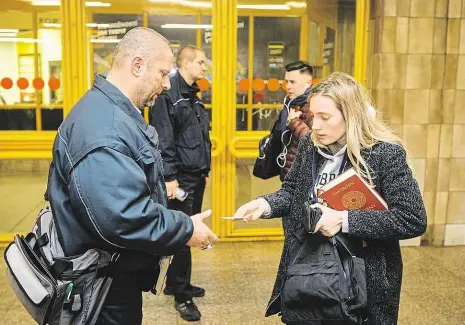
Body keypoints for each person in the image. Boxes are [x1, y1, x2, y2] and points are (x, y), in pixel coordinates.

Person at [47, 28, 218, 325]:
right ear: (137, 65)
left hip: (108, 275)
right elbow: (121, 217)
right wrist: (185, 228)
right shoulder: (105, 128)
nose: (166, 84)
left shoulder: (109, 111)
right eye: (162, 74)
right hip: (100, 287)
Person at [233, 72, 427, 325]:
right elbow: (292, 191)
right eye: (313, 117)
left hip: (363, 279)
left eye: (325, 117)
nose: (315, 126)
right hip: (310, 268)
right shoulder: (310, 146)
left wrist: (343, 220)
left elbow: (411, 219)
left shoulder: (384, 154)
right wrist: (264, 204)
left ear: (351, 116)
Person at [150, 45, 211, 322]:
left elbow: (197, 136)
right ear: (185, 63)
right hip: (180, 178)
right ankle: (182, 295)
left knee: (189, 225)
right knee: (185, 233)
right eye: (200, 62)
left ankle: (176, 282)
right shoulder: (169, 95)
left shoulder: (192, 94)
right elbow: (164, 137)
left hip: (195, 176)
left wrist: (204, 170)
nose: (204, 67)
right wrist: (170, 177)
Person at [276, 61, 313, 181]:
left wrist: (294, 121)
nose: (288, 86)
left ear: (308, 84)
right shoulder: (290, 103)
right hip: (289, 171)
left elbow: (314, 142)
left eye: (293, 82)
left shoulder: (314, 106)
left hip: (304, 176)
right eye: (286, 81)